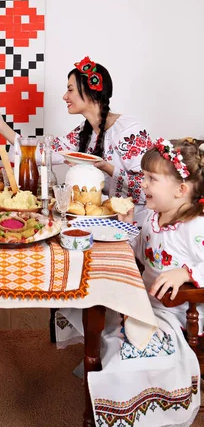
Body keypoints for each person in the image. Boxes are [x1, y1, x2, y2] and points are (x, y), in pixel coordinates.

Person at [58, 138, 204, 426]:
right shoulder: (153, 216)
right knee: (91, 300)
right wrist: (127, 225)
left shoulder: (196, 227)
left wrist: (186, 273)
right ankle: (101, 365)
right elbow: (141, 251)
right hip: (146, 301)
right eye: (144, 176)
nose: (143, 184)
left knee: (128, 347)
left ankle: (127, 396)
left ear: (181, 190)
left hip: (177, 314)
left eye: (151, 178)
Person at [0, 56, 152, 217]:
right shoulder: (83, 131)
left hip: (133, 222)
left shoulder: (129, 131)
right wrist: (0, 125)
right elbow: (45, 151)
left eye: (70, 90)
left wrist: (106, 167)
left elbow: (149, 188)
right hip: (101, 218)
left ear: (91, 91)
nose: (65, 96)